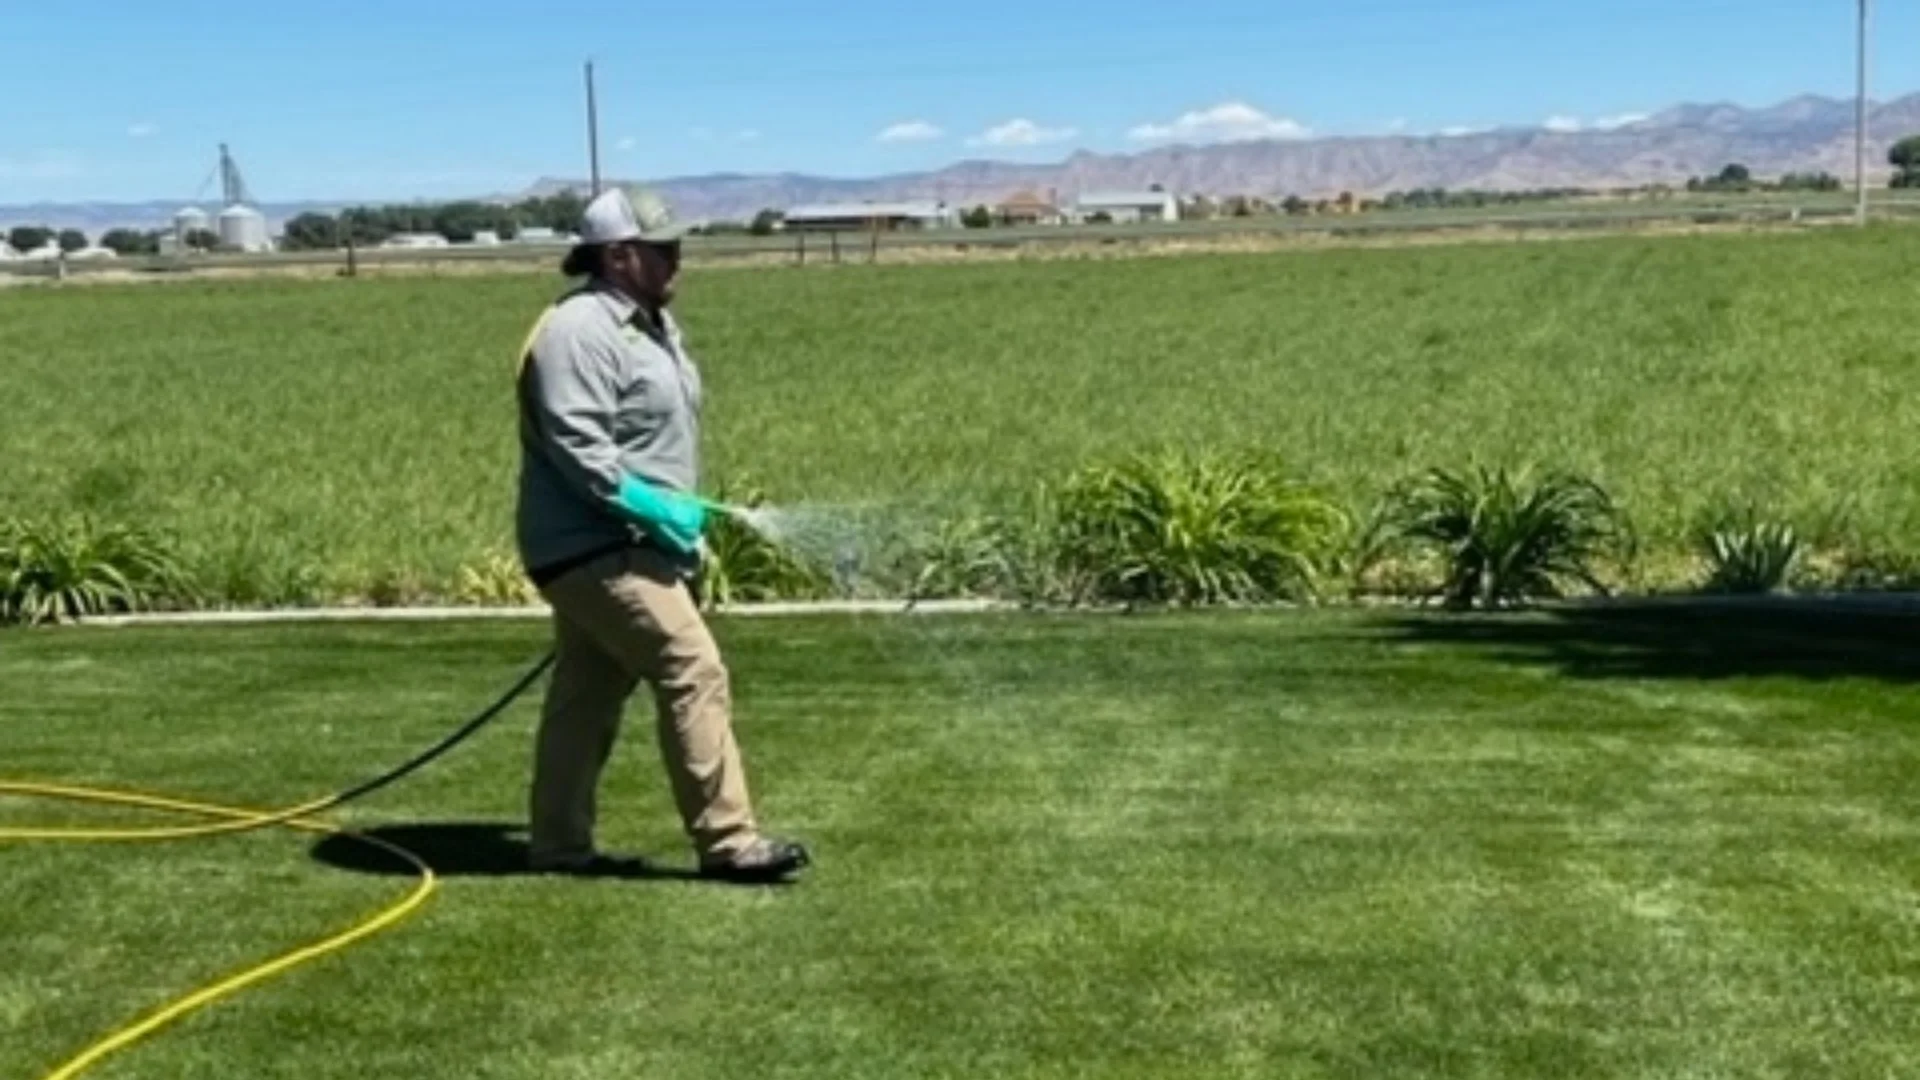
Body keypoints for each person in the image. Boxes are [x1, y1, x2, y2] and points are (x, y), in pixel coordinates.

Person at [512, 185, 809, 883]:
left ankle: (558, 846)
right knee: (691, 666)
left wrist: (669, 519)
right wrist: (651, 506)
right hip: (592, 543)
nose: (678, 259)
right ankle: (730, 842)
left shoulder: (651, 324)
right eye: (662, 248)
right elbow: (580, 448)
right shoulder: (579, 330)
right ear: (617, 256)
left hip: (629, 540)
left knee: (586, 696)